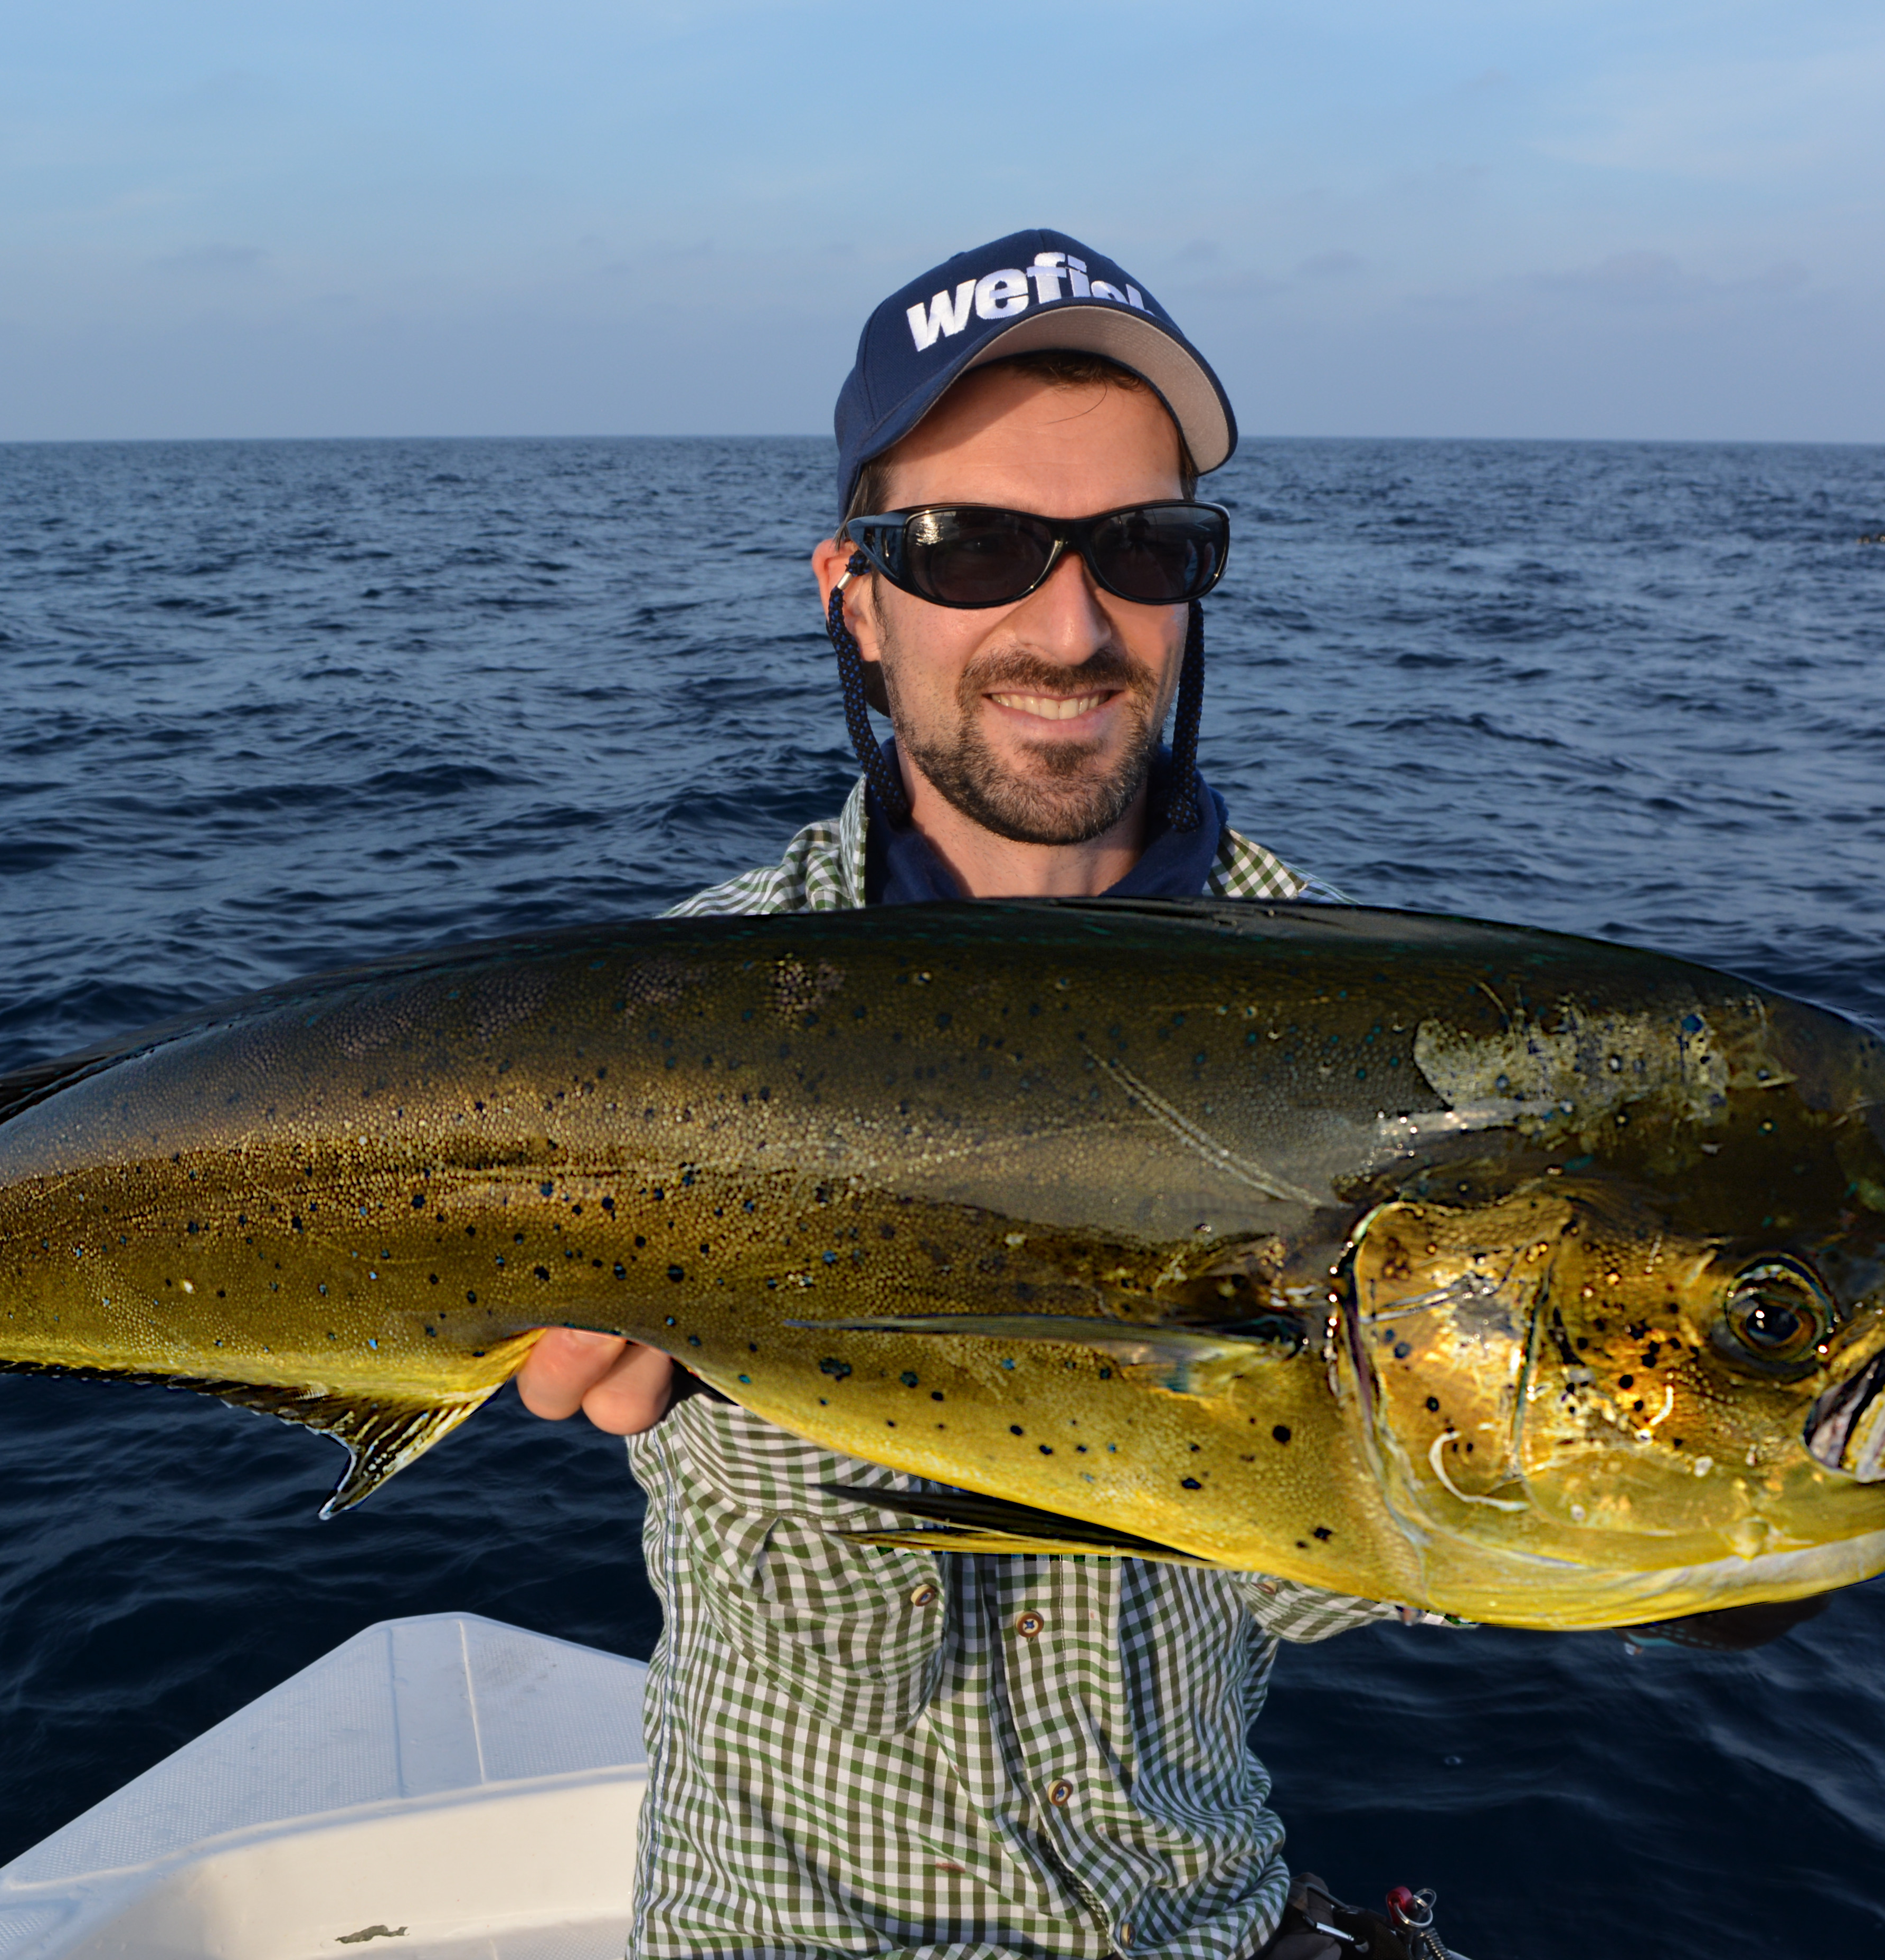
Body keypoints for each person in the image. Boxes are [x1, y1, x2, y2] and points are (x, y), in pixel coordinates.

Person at [521, 231, 1429, 1960]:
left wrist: (1689, 1543)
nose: (1071, 625)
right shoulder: (662, 1022)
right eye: (973, 549)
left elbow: (1329, 1578)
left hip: (1201, 1920)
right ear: (851, 594)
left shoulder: (1356, 1025)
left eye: (1145, 549)